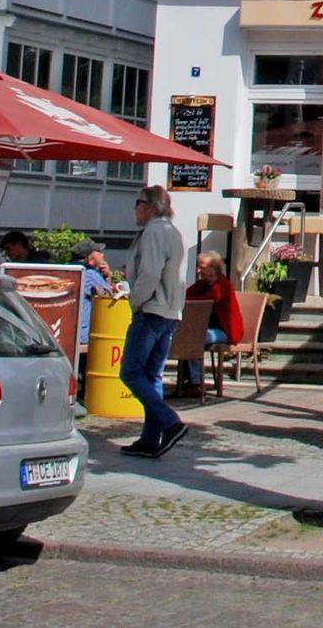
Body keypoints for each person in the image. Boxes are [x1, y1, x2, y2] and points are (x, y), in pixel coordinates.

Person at [119, 186, 188, 458]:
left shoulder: (154, 231)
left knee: (130, 372)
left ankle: (170, 422)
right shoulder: (173, 231)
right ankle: (150, 438)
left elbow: (149, 273)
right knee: (152, 375)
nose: (134, 209)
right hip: (170, 311)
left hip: (152, 309)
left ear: (150, 206)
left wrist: (135, 300)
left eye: (137, 203)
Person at [177, 252, 242, 397]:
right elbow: (186, 295)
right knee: (185, 335)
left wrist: (184, 300)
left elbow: (207, 300)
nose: (198, 270)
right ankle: (187, 379)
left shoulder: (223, 285)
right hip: (209, 328)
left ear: (212, 269)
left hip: (225, 330)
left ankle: (196, 382)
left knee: (194, 338)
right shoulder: (203, 284)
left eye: (202, 267)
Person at [73, 239, 113, 357]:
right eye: (99, 252)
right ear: (91, 257)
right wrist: (108, 276)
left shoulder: (73, 270)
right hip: (84, 336)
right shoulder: (90, 274)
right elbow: (109, 298)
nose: (103, 255)